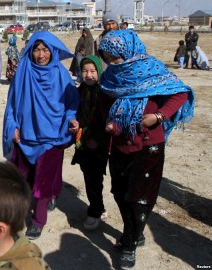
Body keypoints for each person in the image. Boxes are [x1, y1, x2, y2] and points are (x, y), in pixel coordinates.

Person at [98, 29, 195, 270]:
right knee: (119, 192)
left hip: (149, 144)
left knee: (139, 196)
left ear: (127, 50)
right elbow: (105, 103)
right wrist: (109, 124)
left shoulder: (151, 68)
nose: (112, 62)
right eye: (107, 57)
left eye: (114, 56)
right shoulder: (111, 75)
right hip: (120, 144)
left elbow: (180, 92)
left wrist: (158, 116)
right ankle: (135, 230)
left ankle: (129, 243)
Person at [3, 31, 80, 240]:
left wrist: (71, 119)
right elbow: (12, 104)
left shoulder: (61, 74)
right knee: (24, 178)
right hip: (26, 136)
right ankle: (50, 195)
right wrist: (13, 126)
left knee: (43, 181)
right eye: (36, 49)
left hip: (53, 136)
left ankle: (38, 220)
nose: (41, 54)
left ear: (53, 51)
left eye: (45, 49)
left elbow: (72, 103)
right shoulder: (23, 72)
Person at [71, 55, 110, 231]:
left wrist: (98, 140)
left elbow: (107, 120)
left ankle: (95, 210)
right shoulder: (79, 91)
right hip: (83, 142)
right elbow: (74, 113)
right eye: (85, 71)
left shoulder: (105, 92)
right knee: (89, 177)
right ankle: (97, 207)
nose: (88, 75)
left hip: (101, 144)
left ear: (99, 71)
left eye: (93, 71)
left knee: (95, 178)